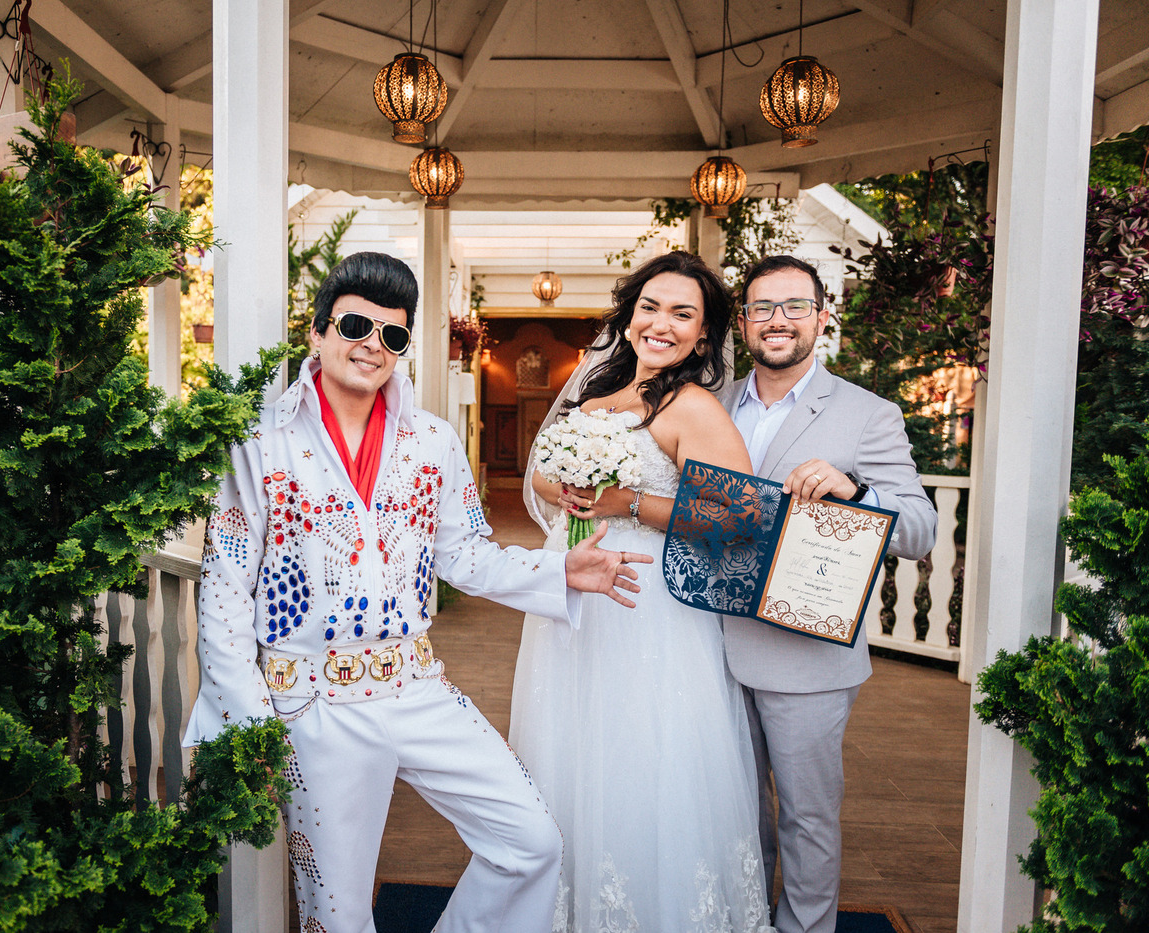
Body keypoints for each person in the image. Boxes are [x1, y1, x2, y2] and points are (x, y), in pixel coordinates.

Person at [182, 251, 653, 933]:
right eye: (353, 325)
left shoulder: (430, 441)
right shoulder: (262, 444)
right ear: (316, 333)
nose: (372, 345)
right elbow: (224, 591)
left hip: (416, 684)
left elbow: (465, 556)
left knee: (531, 841)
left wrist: (558, 572)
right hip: (313, 702)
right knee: (338, 913)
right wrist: (252, 724)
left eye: (393, 335)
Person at [511, 250, 776, 933]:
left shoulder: (693, 407)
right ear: (629, 316)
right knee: (571, 744)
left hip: (648, 604)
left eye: (682, 313)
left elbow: (740, 518)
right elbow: (541, 472)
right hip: (573, 597)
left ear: (703, 333)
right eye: (650, 306)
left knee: (644, 752)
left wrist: (628, 501)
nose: (661, 323)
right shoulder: (595, 389)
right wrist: (566, 490)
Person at [718, 255, 939, 933]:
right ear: (743, 320)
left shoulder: (866, 415)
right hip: (707, 648)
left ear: (820, 317)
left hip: (806, 655)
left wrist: (859, 493)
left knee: (807, 816)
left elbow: (922, 528)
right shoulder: (713, 399)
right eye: (762, 307)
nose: (777, 320)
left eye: (793, 306)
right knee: (731, 809)